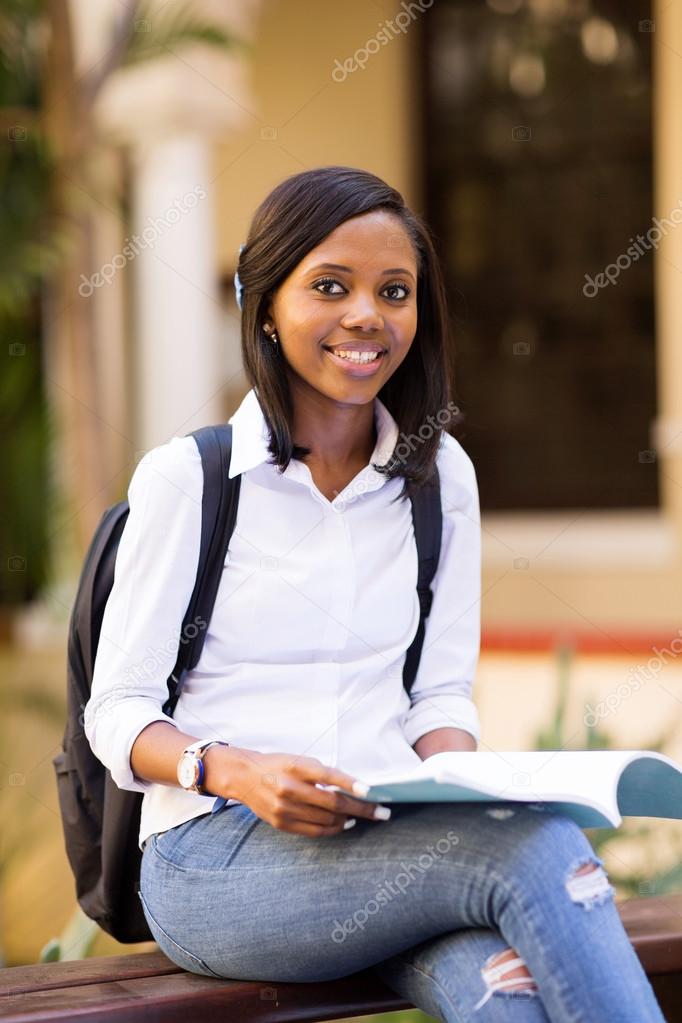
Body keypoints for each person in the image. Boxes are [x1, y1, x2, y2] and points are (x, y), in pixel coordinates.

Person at [84, 166, 666, 1022]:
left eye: (394, 290)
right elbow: (117, 713)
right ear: (266, 304)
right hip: (216, 860)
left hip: (387, 841)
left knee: (500, 995)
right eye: (330, 286)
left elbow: (437, 693)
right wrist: (237, 771)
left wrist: (463, 789)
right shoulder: (194, 479)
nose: (367, 315)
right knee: (540, 852)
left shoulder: (439, 479)